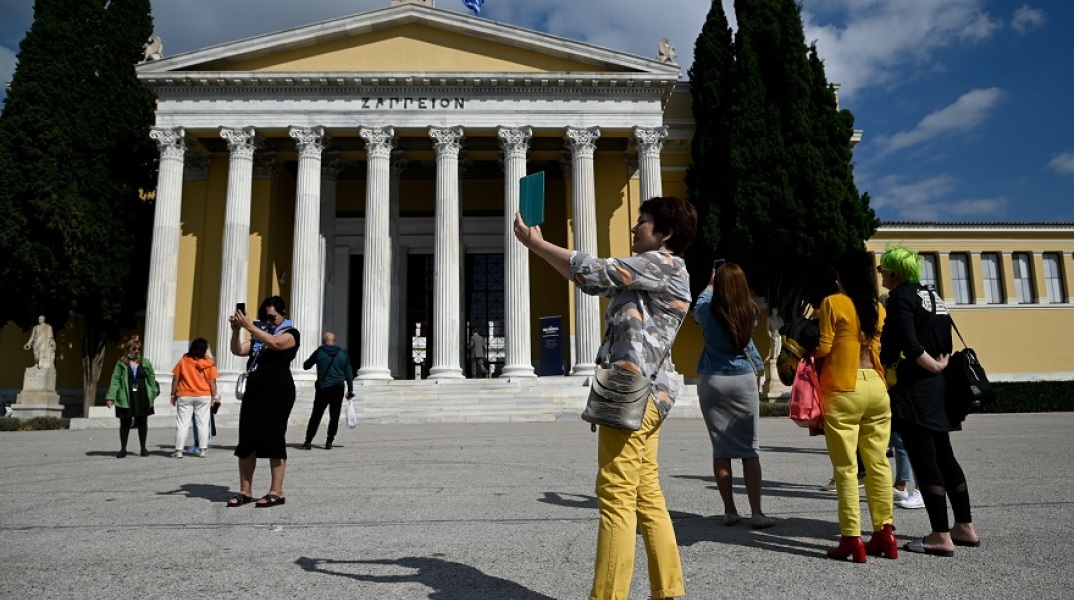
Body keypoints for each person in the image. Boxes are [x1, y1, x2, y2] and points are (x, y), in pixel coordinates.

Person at [514, 196, 696, 600]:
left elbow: (598, 269)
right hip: (648, 395)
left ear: (664, 234)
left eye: (643, 222)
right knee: (646, 495)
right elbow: (590, 279)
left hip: (633, 394)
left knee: (615, 495)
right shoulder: (655, 271)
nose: (635, 228)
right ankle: (670, 591)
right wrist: (537, 248)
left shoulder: (662, 263)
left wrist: (538, 244)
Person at [879, 246, 980, 555]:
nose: (880, 274)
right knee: (945, 456)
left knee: (925, 460)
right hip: (939, 388)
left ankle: (939, 534)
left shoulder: (900, 298)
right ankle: (964, 526)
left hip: (915, 387)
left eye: (883, 270)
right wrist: (939, 364)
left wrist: (928, 364)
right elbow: (945, 343)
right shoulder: (932, 297)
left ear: (894, 274)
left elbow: (909, 344)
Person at [814, 249, 896, 563]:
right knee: (878, 464)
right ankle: (885, 533)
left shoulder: (833, 302)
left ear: (843, 276)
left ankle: (852, 538)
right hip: (876, 387)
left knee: (846, 469)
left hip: (843, 388)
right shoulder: (877, 307)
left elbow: (823, 346)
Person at [693, 262, 773, 528]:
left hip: (713, 379)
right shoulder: (748, 310)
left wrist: (710, 283)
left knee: (721, 449)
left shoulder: (706, 308)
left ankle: (730, 510)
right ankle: (757, 512)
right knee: (750, 450)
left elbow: (699, 305)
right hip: (742, 379)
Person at [227, 296, 300, 508]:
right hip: (254, 391)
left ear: (283, 313)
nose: (268, 322)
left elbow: (276, 344)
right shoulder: (259, 338)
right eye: (265, 318)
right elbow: (237, 350)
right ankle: (245, 490)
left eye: (272, 317)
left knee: (274, 438)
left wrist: (250, 325)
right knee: (247, 439)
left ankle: (276, 491)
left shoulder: (290, 334)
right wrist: (235, 330)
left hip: (278, 391)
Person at [105, 337, 160, 458]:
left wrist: (153, 392)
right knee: (125, 422)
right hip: (126, 395)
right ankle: (123, 449)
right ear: (128, 349)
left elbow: (151, 378)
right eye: (134, 348)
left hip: (141, 395)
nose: (137, 351)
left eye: (139, 349)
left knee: (142, 422)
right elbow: (115, 380)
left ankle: (143, 448)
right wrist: (110, 397)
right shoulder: (121, 363)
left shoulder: (145, 362)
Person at [301, 331, 354, 450]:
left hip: (323, 388)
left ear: (323, 341)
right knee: (334, 416)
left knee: (316, 415)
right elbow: (349, 374)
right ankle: (329, 441)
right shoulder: (342, 354)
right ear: (334, 341)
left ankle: (308, 441)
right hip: (338, 388)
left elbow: (306, 366)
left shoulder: (319, 352)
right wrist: (350, 390)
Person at [169, 338, 220, 458]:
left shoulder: (183, 360)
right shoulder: (209, 363)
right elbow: (212, 381)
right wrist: (214, 396)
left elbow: (176, 378)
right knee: (202, 423)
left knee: (182, 424)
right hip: (203, 395)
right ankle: (203, 450)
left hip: (184, 395)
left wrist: (173, 393)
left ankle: (179, 451)